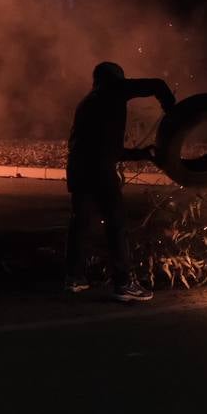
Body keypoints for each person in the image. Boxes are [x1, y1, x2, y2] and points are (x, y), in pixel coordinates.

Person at [64, 62, 176, 302]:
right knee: (116, 225)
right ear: (116, 78)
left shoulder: (86, 103)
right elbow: (158, 84)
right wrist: (174, 112)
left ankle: (74, 278)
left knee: (80, 224)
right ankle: (124, 283)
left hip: (78, 170)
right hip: (99, 172)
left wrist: (142, 154)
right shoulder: (114, 89)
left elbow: (105, 148)